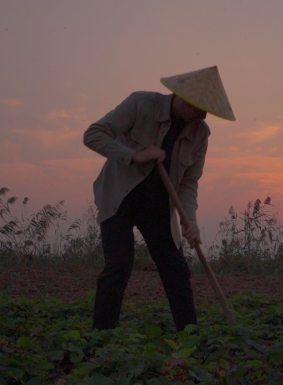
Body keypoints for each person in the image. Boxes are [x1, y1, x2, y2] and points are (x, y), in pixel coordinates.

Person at [83, 66, 236, 331]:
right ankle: (101, 338)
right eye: (198, 107)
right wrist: (134, 155)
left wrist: (190, 220)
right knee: (118, 266)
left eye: (206, 110)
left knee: (176, 270)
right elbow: (93, 134)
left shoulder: (200, 133)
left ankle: (190, 335)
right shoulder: (141, 103)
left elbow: (188, 183)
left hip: (158, 205)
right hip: (120, 195)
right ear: (180, 96)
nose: (202, 115)